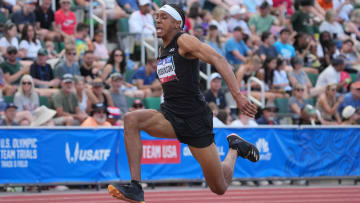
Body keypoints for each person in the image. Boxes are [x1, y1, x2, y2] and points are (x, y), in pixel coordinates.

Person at [107, 4, 259, 203]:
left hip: (194, 119)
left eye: (163, 17)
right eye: (156, 16)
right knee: (131, 119)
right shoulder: (162, 48)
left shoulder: (184, 40)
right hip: (170, 114)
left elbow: (218, 58)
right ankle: (135, 186)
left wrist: (238, 96)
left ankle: (235, 149)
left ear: (177, 23)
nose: (158, 20)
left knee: (219, 187)